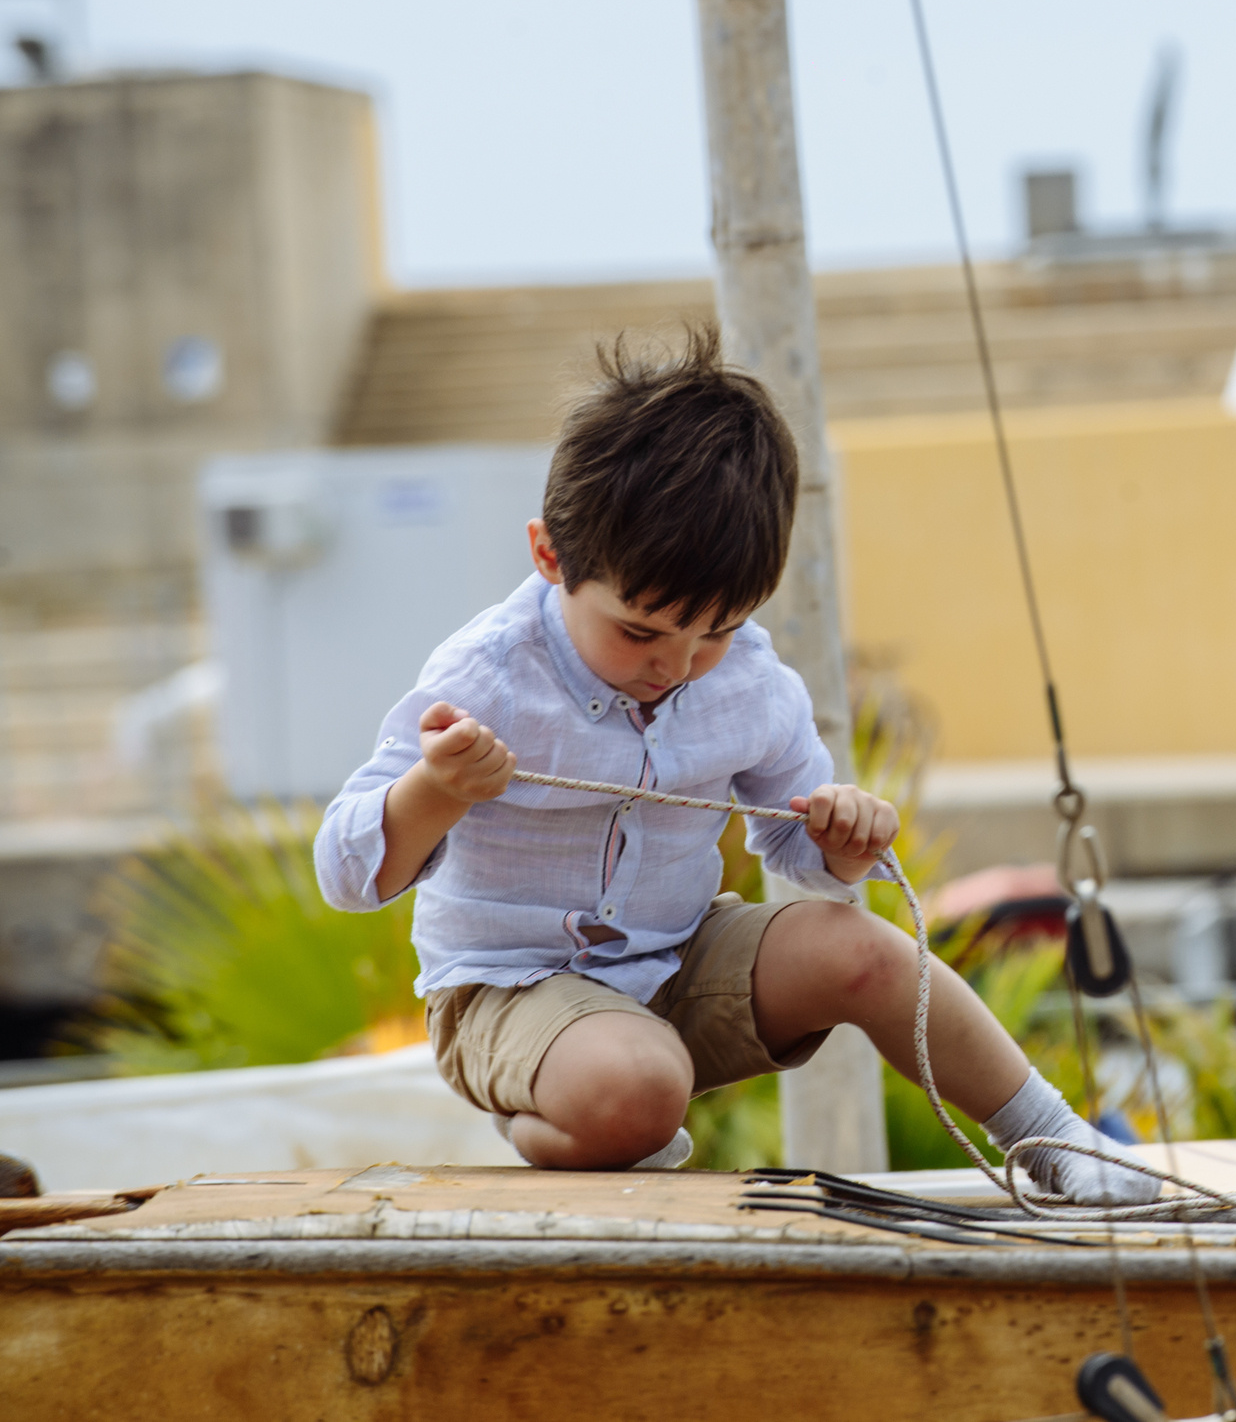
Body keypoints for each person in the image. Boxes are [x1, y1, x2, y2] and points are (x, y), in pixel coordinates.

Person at [314, 327, 1148, 1201]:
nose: (673, 665)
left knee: (861, 951)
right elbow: (344, 870)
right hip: (508, 992)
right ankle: (566, 1118)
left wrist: (846, 841)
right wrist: (435, 791)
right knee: (638, 1088)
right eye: (640, 631)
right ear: (550, 556)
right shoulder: (486, 674)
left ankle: (1053, 1137)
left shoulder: (750, 680)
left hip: (676, 960)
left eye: (713, 632)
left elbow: (802, 859)